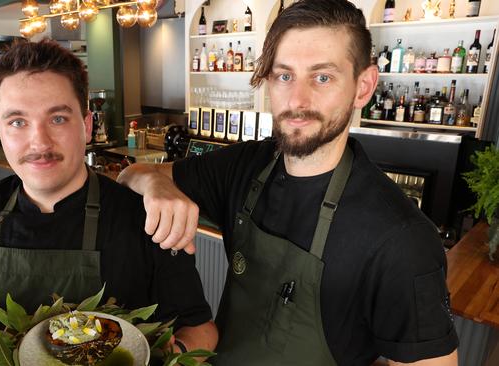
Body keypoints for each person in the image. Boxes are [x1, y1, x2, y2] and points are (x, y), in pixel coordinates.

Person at [117, 0, 458, 365]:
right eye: (284, 76)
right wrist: (157, 187)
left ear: (363, 87)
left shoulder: (402, 238)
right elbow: (131, 175)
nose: (297, 100)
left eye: (322, 77)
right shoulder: (245, 165)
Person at [0, 40, 217, 366]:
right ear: (0, 131)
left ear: (87, 126)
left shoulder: (147, 217)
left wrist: (168, 359)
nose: (40, 142)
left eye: (58, 118)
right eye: (18, 122)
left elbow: (200, 328)